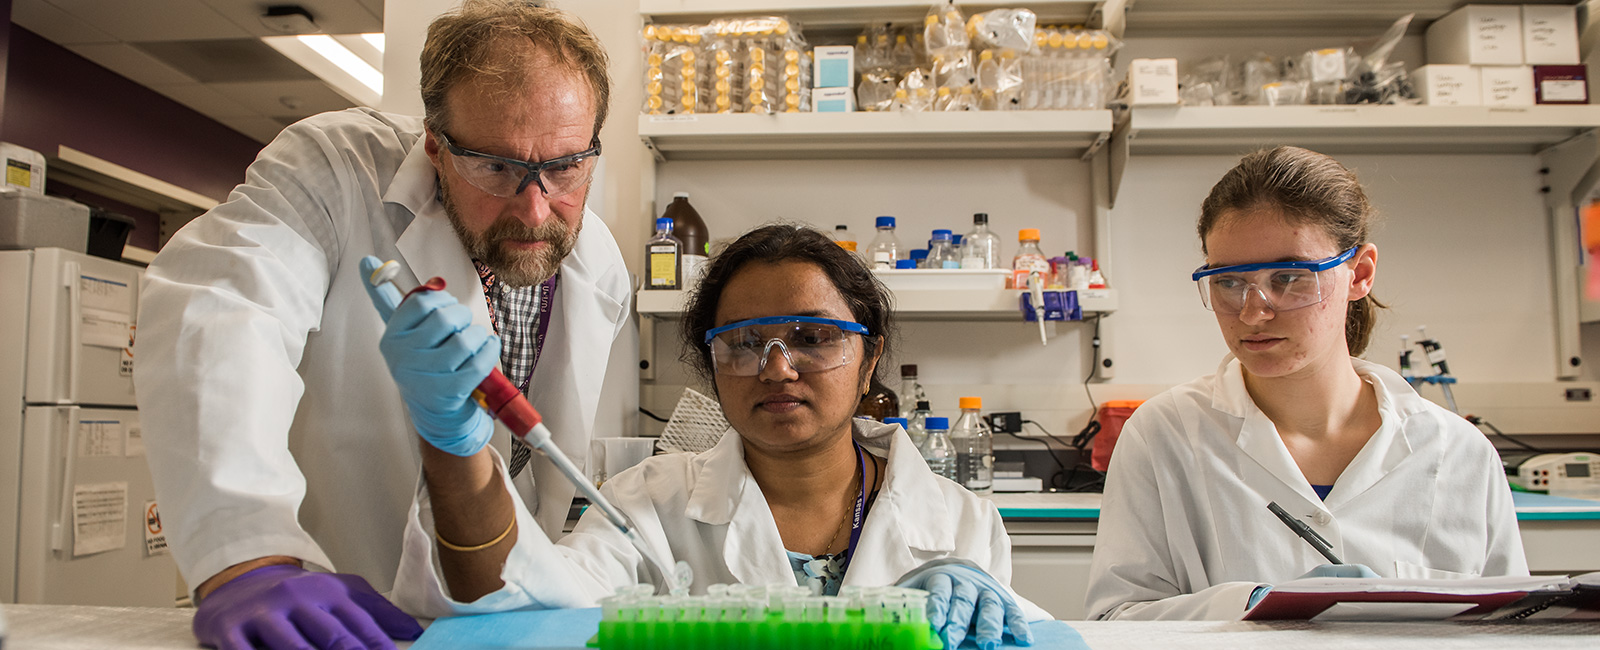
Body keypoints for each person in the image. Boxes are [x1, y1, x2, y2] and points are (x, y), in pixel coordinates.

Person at [133, 3, 630, 648]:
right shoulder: (337, 171)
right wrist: (246, 553)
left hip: (500, 624)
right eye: (497, 167)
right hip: (323, 615)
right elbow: (224, 311)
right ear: (434, 145)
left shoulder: (600, 267)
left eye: (565, 166)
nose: (535, 210)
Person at [387, 224, 1047, 649]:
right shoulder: (642, 507)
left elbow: (1029, 637)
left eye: (814, 338)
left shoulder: (962, 522)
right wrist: (457, 444)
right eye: (743, 343)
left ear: (868, 360)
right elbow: (520, 608)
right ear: (710, 367)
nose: (777, 368)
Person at [1084, 146, 1528, 621]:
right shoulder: (1164, 435)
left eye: (1290, 277)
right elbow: (1114, 620)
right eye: (1228, 282)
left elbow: (1515, 628)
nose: (1254, 312)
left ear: (1359, 273)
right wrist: (1251, 607)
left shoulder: (1458, 452)